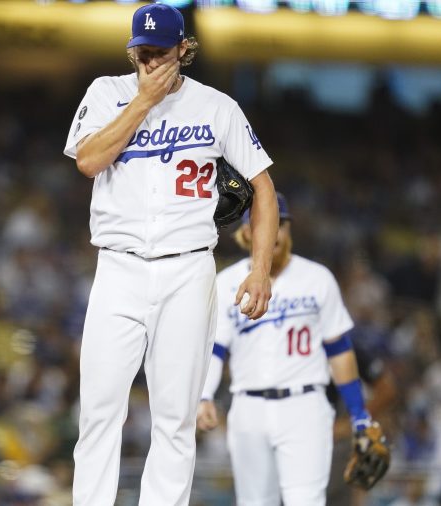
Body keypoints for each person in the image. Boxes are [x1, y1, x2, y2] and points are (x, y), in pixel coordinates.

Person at [62, 3, 279, 505]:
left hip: (187, 268)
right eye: (143, 53)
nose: (152, 63)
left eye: (162, 53)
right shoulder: (107, 92)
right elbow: (90, 161)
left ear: (185, 49)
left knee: (176, 418)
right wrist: (140, 103)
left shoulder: (217, 107)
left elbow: (263, 188)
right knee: (99, 412)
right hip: (118, 265)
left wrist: (260, 268)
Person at [197, 193, 382, 505]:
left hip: (305, 406)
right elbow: (215, 349)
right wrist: (204, 396)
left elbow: (340, 351)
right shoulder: (226, 283)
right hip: (248, 408)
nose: (275, 232)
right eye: (263, 224)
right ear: (245, 234)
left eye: (280, 224)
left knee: (306, 501)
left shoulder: (317, 278)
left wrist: (359, 415)